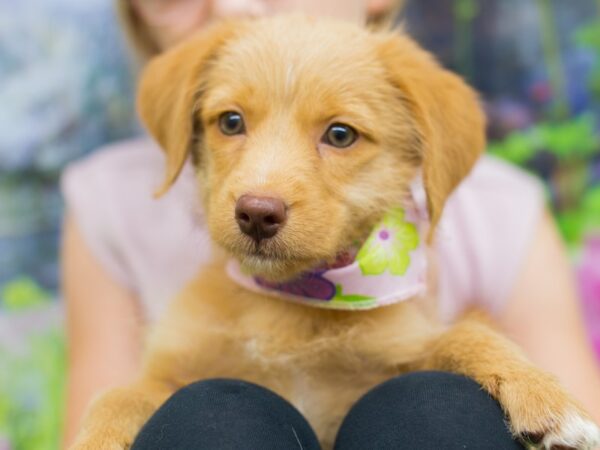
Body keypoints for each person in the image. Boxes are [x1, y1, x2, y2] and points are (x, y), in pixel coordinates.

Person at [61, 0, 600, 447]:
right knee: (204, 420)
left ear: (421, 156)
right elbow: (153, 393)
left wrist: (479, 355)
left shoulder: (503, 211)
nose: (261, 192)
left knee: (435, 409)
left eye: (340, 135)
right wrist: (116, 412)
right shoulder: (108, 203)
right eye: (231, 122)